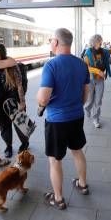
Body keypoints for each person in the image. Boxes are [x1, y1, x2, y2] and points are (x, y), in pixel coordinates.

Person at [36, 28, 90, 210]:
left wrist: (39, 100)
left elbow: (43, 98)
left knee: (55, 160)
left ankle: (58, 198)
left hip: (56, 121)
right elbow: (85, 96)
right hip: (76, 117)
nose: (51, 42)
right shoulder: (82, 64)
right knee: (77, 151)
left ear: (57, 42)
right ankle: (82, 184)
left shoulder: (51, 65)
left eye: (51, 39)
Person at [0, 43, 30, 157]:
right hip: (0, 101)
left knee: (20, 124)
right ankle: (8, 146)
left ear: (1, 52)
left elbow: (19, 84)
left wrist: (22, 102)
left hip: (14, 99)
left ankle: (25, 143)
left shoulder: (10, 64)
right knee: (4, 126)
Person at [83, 34, 111, 128]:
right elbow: (86, 67)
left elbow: (110, 51)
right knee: (90, 100)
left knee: (98, 100)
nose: (101, 43)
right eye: (100, 41)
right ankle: (87, 109)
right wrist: (98, 71)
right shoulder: (88, 53)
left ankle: (96, 119)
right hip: (90, 80)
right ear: (95, 42)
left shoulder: (103, 52)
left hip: (100, 80)